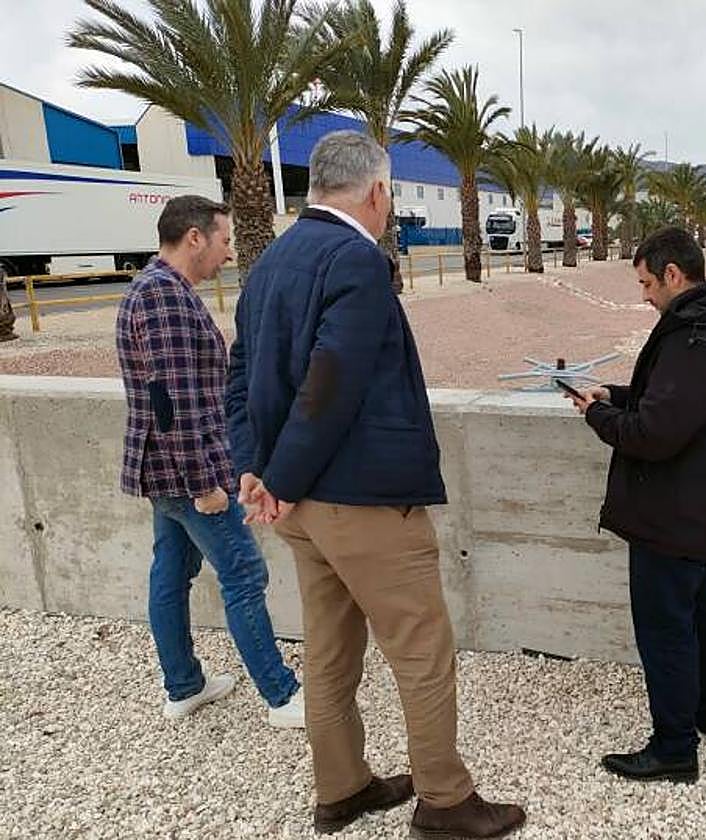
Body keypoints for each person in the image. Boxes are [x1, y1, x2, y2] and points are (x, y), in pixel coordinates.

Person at [225, 130, 525, 838]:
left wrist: (255, 469)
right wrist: (280, 477)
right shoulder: (356, 259)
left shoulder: (269, 262)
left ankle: (341, 789)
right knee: (421, 649)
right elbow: (332, 383)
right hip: (360, 500)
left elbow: (239, 375)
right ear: (377, 192)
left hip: (298, 507)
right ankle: (445, 801)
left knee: (329, 652)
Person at [565, 226, 706, 784]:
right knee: (701, 611)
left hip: (671, 518)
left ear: (673, 274)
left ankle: (674, 748)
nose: (645, 295)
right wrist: (613, 395)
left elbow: (653, 434)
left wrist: (596, 415)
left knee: (666, 629)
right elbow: (675, 404)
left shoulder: (694, 339)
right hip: (701, 512)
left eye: (647, 284)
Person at [115, 195, 302, 727]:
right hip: (186, 474)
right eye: (224, 240)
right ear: (194, 237)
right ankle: (282, 696)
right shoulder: (164, 296)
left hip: (163, 470)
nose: (229, 253)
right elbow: (171, 402)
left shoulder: (152, 288)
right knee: (244, 572)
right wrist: (205, 485)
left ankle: (184, 687)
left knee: (172, 570)